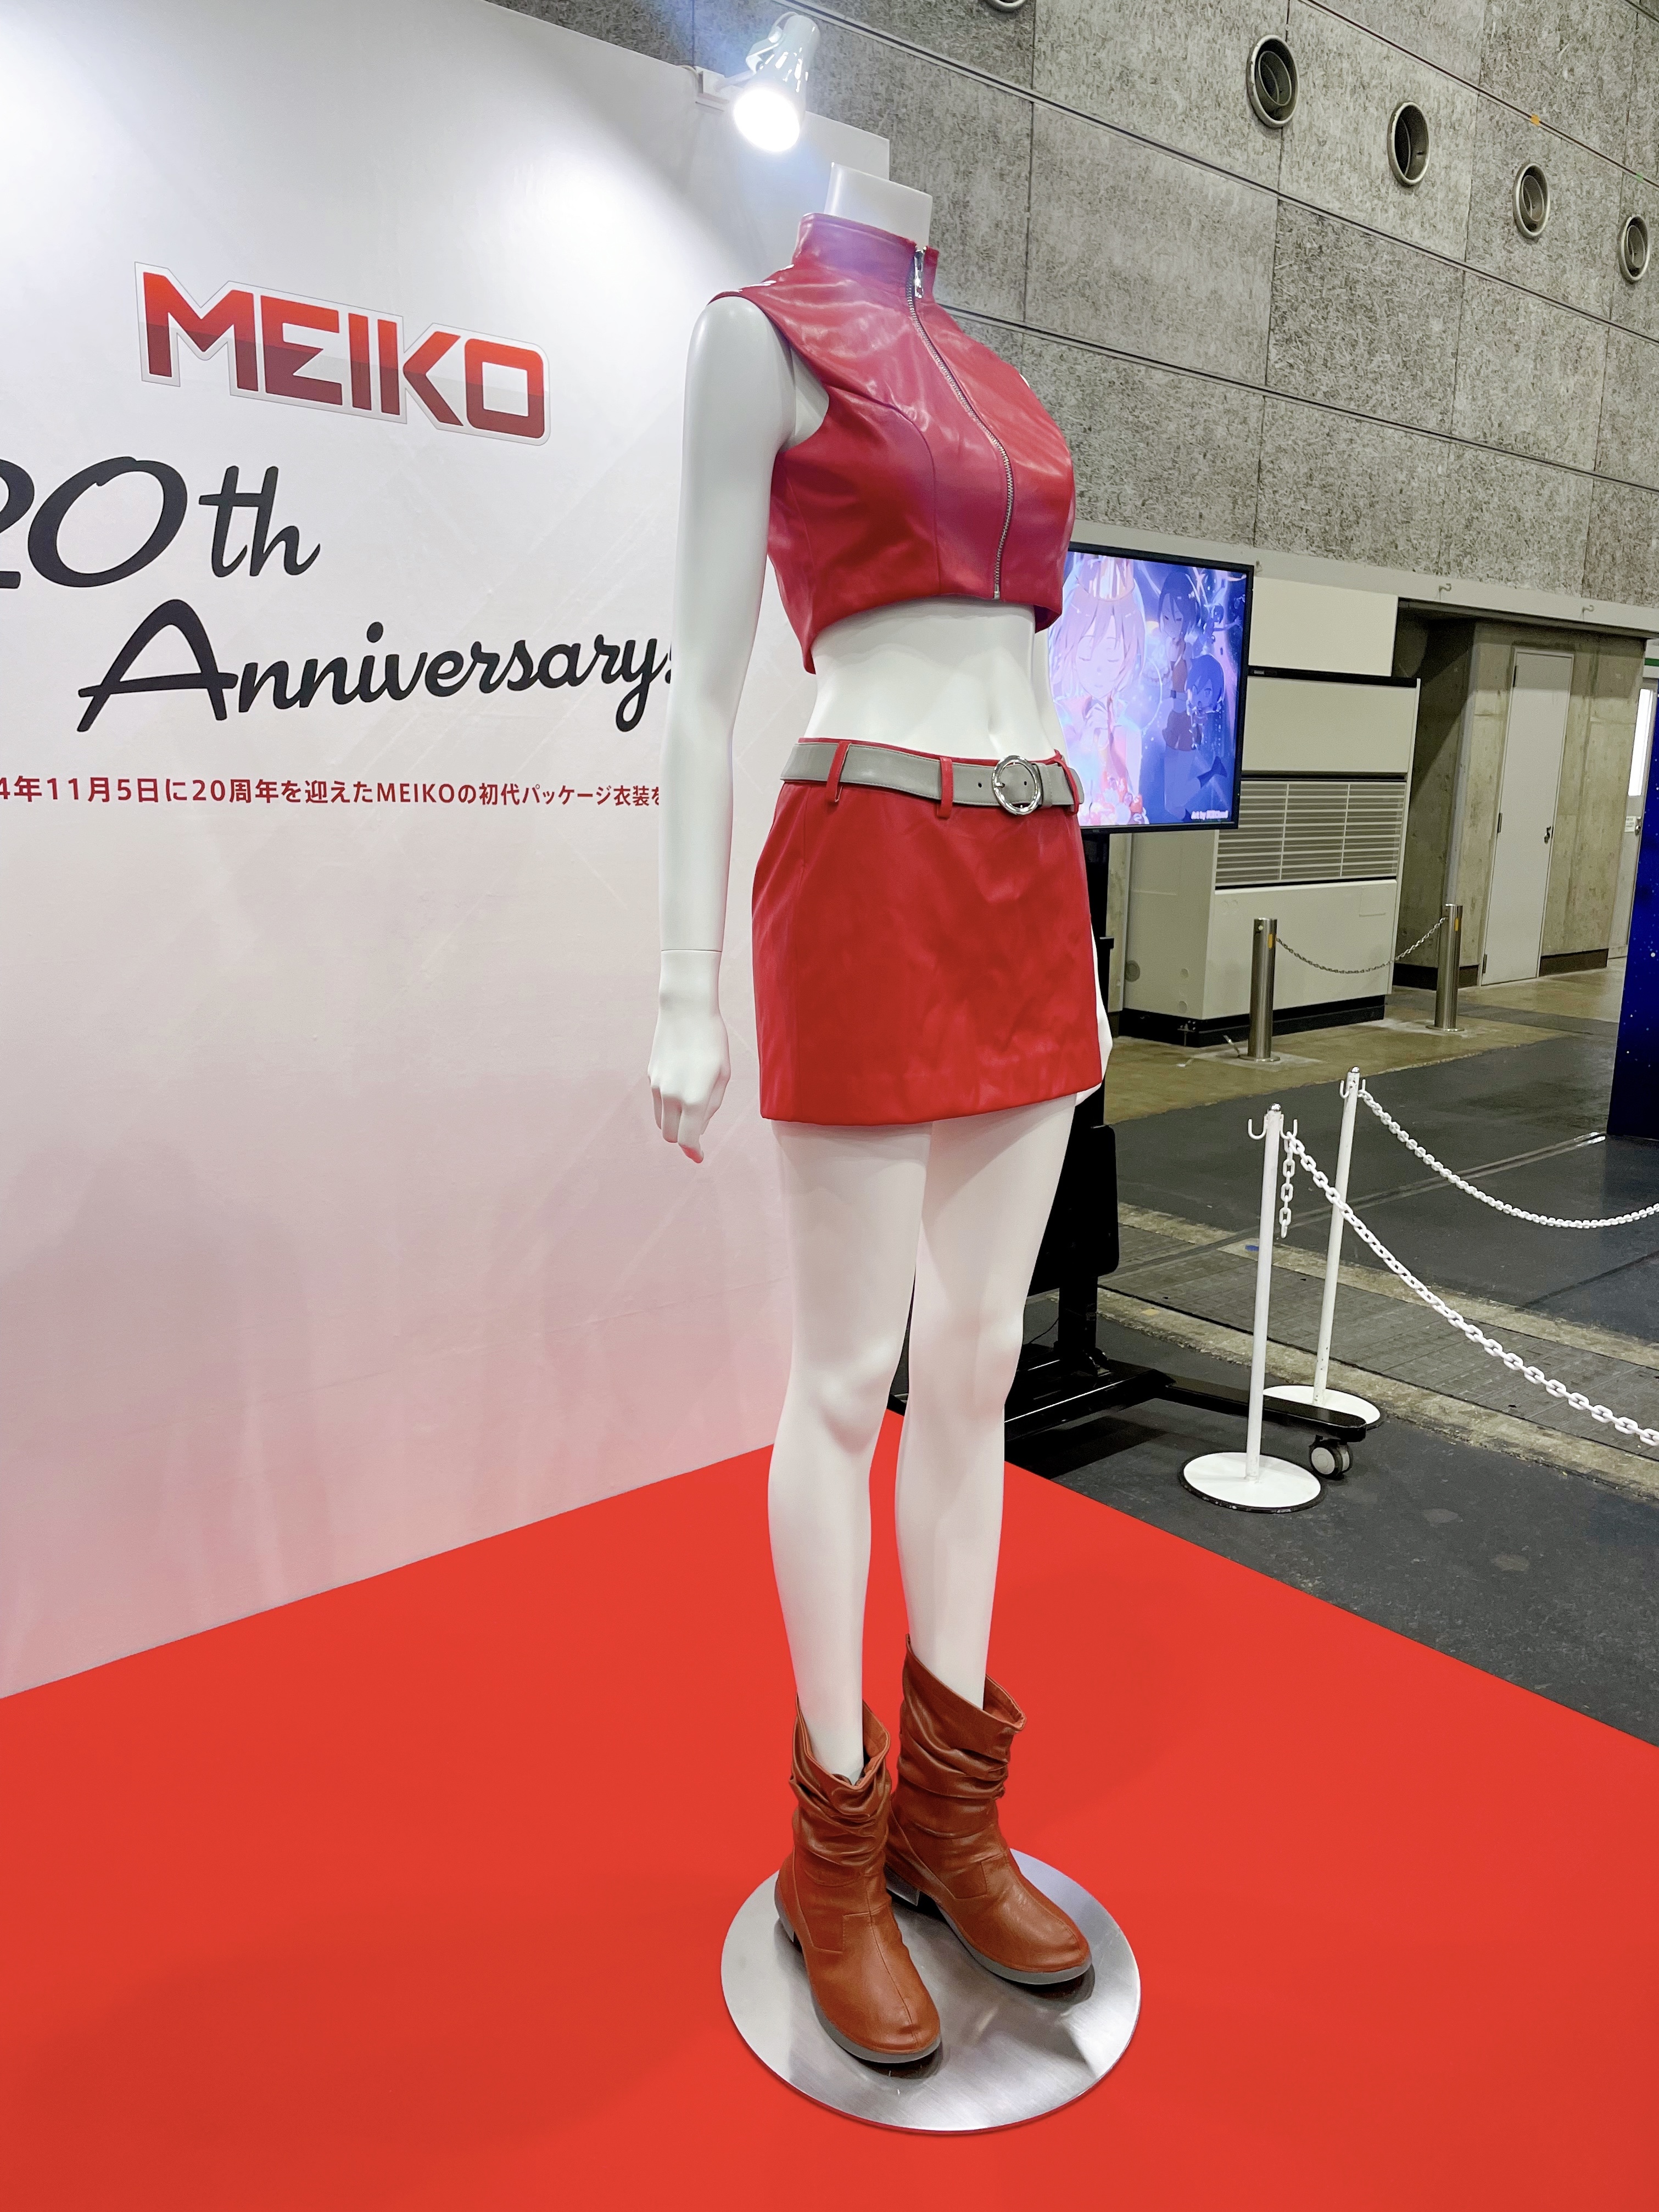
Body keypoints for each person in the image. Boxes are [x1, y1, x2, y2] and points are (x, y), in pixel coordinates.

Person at [648, 164, 1111, 2066]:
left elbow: (1030, 666)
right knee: (847, 1379)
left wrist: (1081, 959)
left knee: (980, 1364)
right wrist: (683, 984)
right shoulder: (757, 336)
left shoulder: (995, 374)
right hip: (865, 859)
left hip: (1029, 867)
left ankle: (950, 1815)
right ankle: (833, 1852)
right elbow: (699, 686)